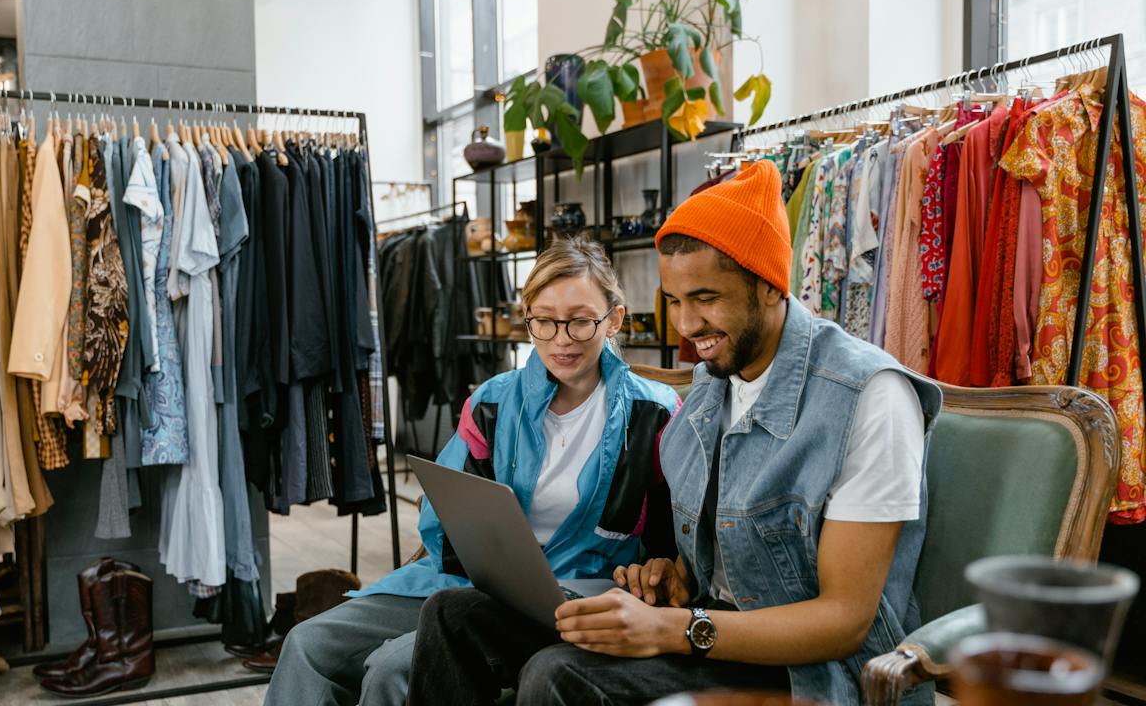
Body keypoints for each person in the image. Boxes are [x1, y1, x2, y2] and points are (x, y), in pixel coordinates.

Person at [406, 160, 944, 706]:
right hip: (706, 633)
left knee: (557, 674)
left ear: (768, 285)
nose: (686, 327)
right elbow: (716, 560)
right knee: (454, 616)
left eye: (706, 298)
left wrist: (675, 629)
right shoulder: (711, 390)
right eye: (675, 303)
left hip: (810, 672)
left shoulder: (868, 397)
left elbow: (844, 622)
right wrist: (672, 578)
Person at [263, 237, 681, 706]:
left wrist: (656, 569)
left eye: (581, 321)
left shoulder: (656, 415)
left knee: (390, 668)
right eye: (544, 321)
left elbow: (672, 544)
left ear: (614, 319)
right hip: (467, 587)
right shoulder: (492, 403)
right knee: (307, 645)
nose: (561, 338)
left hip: (575, 601)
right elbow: (447, 517)